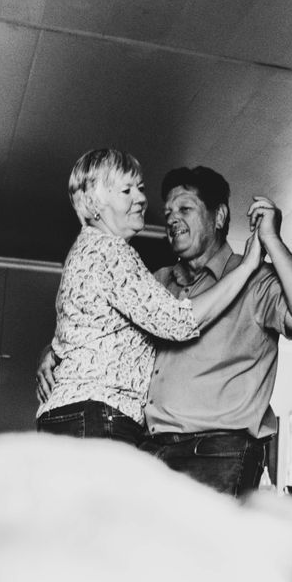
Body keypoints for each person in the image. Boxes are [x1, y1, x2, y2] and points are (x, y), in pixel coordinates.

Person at [39, 164, 292, 495]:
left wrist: (272, 241)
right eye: (168, 212)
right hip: (149, 451)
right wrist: (54, 352)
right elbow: (103, 327)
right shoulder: (157, 280)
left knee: (201, 548)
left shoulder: (257, 282)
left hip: (218, 452)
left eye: (185, 209)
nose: (172, 218)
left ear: (219, 216)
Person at [36, 149, 263, 445]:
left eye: (140, 188)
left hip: (70, 416)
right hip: (96, 417)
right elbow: (179, 322)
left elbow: (83, 331)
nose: (141, 199)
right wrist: (248, 266)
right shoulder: (111, 251)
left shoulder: (86, 249)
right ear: (94, 204)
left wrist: (52, 353)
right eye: (126, 190)